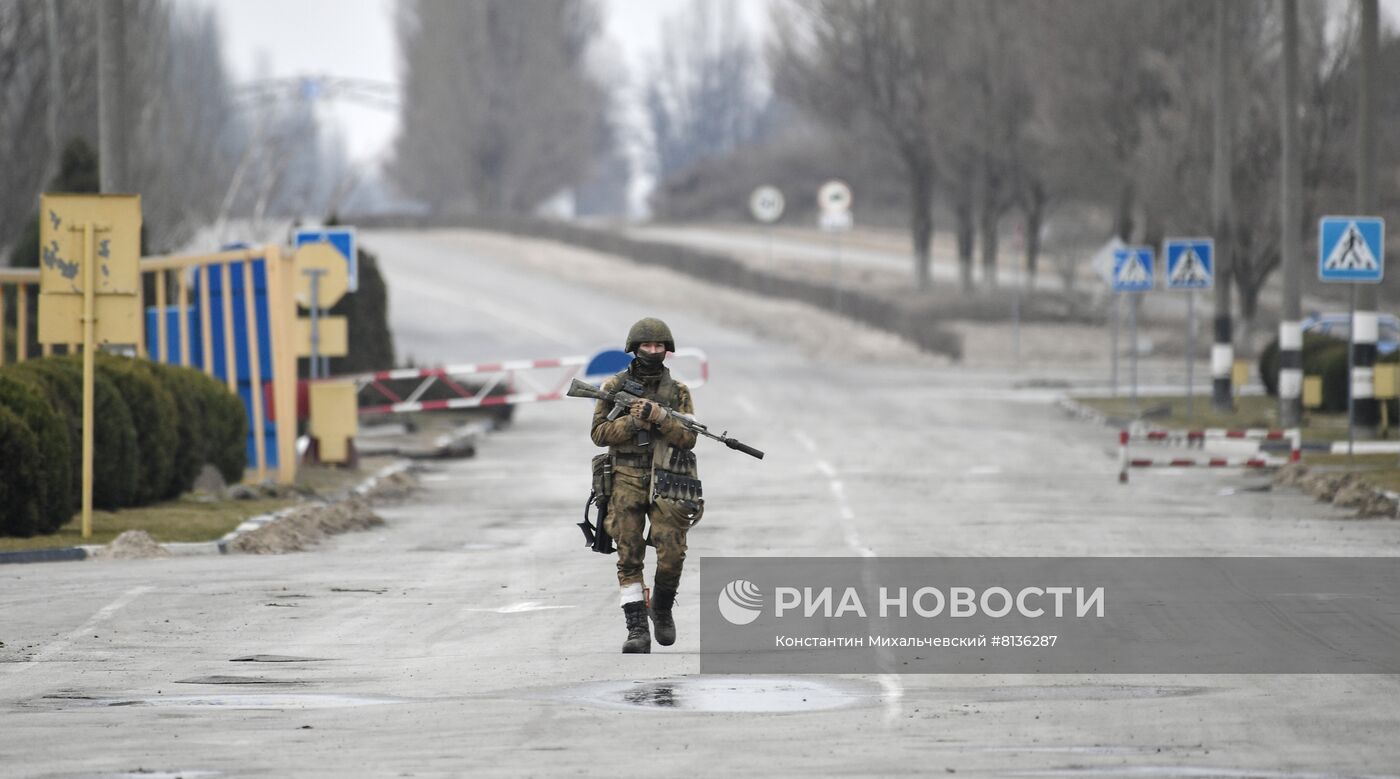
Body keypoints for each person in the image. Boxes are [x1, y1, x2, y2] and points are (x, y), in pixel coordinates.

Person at [590, 318, 700, 653]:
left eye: (659, 346)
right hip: (624, 476)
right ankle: (637, 628)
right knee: (628, 553)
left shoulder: (679, 391)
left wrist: (662, 419)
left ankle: (662, 607)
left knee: (671, 553)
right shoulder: (613, 387)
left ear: (667, 350)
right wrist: (633, 421)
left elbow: (689, 437)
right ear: (634, 348)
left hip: (668, 478)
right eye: (647, 346)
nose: (653, 352)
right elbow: (598, 434)